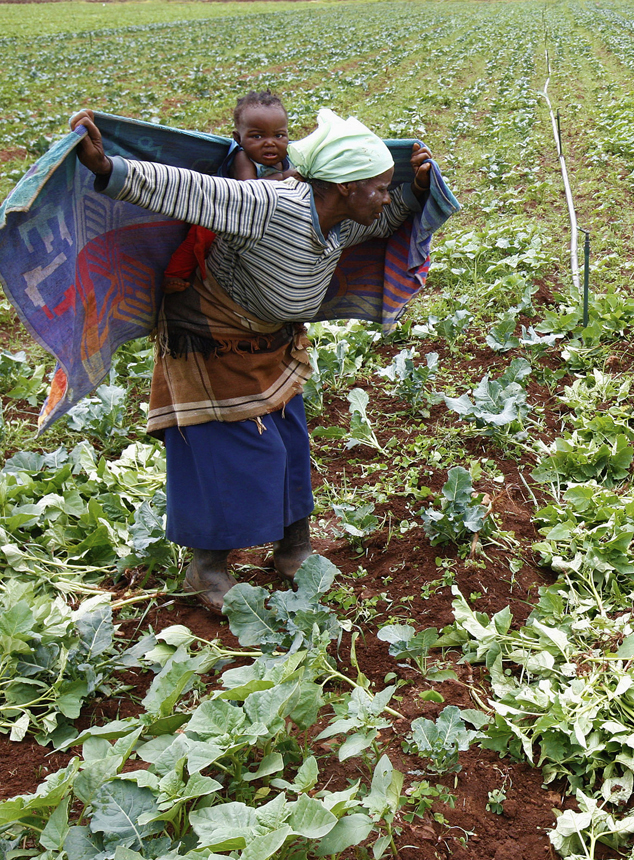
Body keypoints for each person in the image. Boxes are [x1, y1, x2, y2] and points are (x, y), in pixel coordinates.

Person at [69, 106, 437, 612]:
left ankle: (293, 549)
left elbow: (387, 219)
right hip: (209, 342)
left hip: (271, 344)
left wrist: (416, 191)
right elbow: (190, 191)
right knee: (236, 458)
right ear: (345, 186)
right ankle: (207, 567)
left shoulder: (345, 218)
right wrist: (107, 168)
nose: (385, 197)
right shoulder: (267, 205)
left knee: (288, 445)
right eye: (379, 186)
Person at [164, 91, 298, 293]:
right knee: (200, 237)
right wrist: (284, 177)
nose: (270, 142)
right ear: (238, 138)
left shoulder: (286, 159)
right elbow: (250, 190)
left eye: (279, 135)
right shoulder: (242, 158)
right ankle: (174, 275)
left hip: (263, 217)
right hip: (223, 211)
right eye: (257, 136)